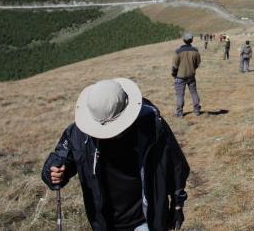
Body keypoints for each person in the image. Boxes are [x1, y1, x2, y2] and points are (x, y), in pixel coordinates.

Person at [41, 78, 189, 231]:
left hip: (146, 219)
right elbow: (59, 160)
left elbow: (176, 164)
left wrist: (177, 205)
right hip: (104, 224)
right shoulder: (78, 134)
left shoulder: (151, 125)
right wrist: (54, 172)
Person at [172, 32, 202, 117]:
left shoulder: (178, 51)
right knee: (194, 92)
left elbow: (175, 66)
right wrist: (193, 69)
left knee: (180, 95)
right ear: (192, 40)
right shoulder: (195, 51)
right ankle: (197, 111)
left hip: (180, 76)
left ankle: (180, 113)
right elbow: (197, 63)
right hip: (191, 76)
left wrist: (174, 74)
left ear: (183, 40)